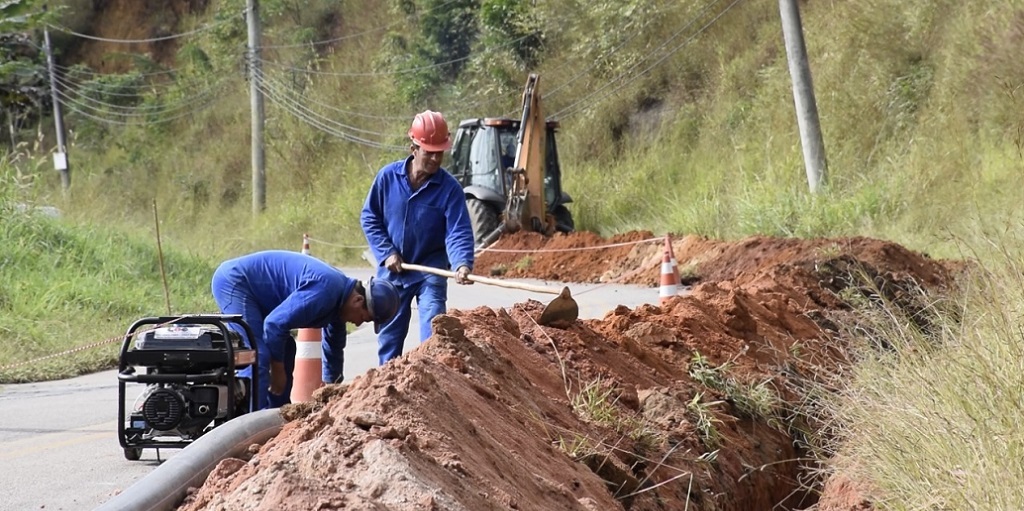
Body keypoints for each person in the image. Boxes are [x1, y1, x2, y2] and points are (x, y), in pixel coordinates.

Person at [211, 250, 400, 410]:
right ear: (358, 301)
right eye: (363, 318)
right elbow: (274, 324)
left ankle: (274, 421)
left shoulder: (341, 302)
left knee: (286, 349)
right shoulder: (326, 290)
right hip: (236, 282)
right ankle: (247, 431)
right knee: (258, 355)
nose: (359, 324)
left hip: (255, 294)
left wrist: (332, 392)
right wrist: (277, 371)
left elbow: (334, 348)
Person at [361, 110, 476, 365]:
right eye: (429, 152)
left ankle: (430, 383)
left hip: (429, 269)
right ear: (413, 147)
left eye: (440, 152)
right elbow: (370, 218)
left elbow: (458, 230)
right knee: (389, 340)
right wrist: (386, 252)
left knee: (433, 330)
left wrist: (462, 263)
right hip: (394, 272)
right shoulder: (387, 178)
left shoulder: (449, 189)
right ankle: (386, 388)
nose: (435, 158)